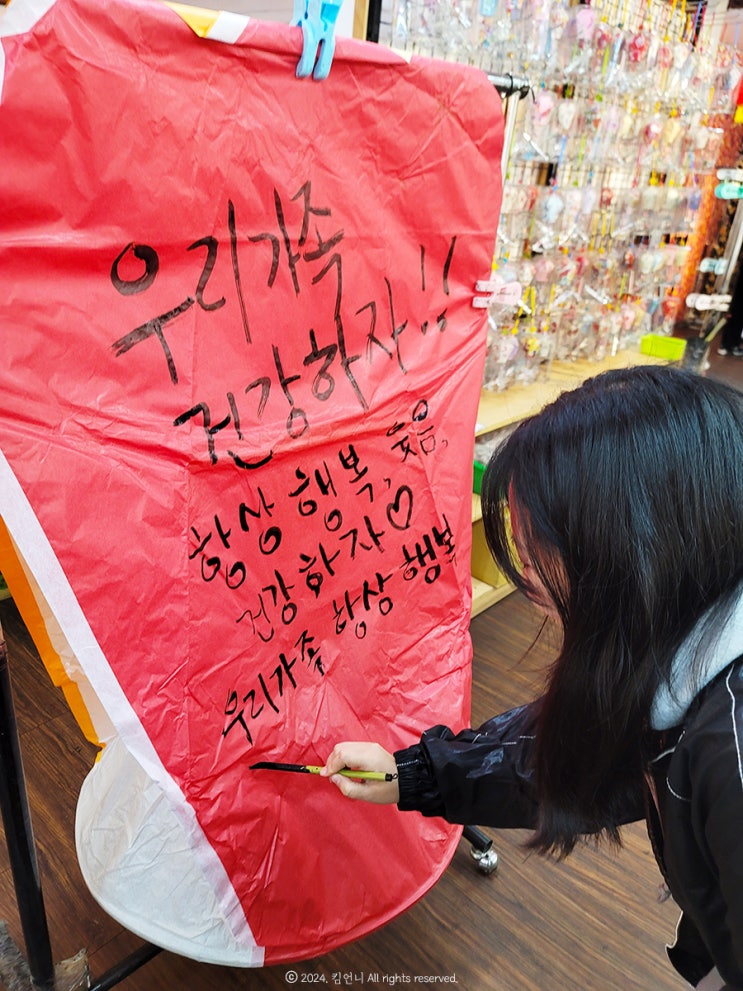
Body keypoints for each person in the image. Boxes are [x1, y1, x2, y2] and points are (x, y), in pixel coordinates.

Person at [321, 364, 743, 991]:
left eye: (539, 548)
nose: (528, 578)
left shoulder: (731, 755)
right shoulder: (673, 651)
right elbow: (573, 749)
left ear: (633, 548)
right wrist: (411, 774)